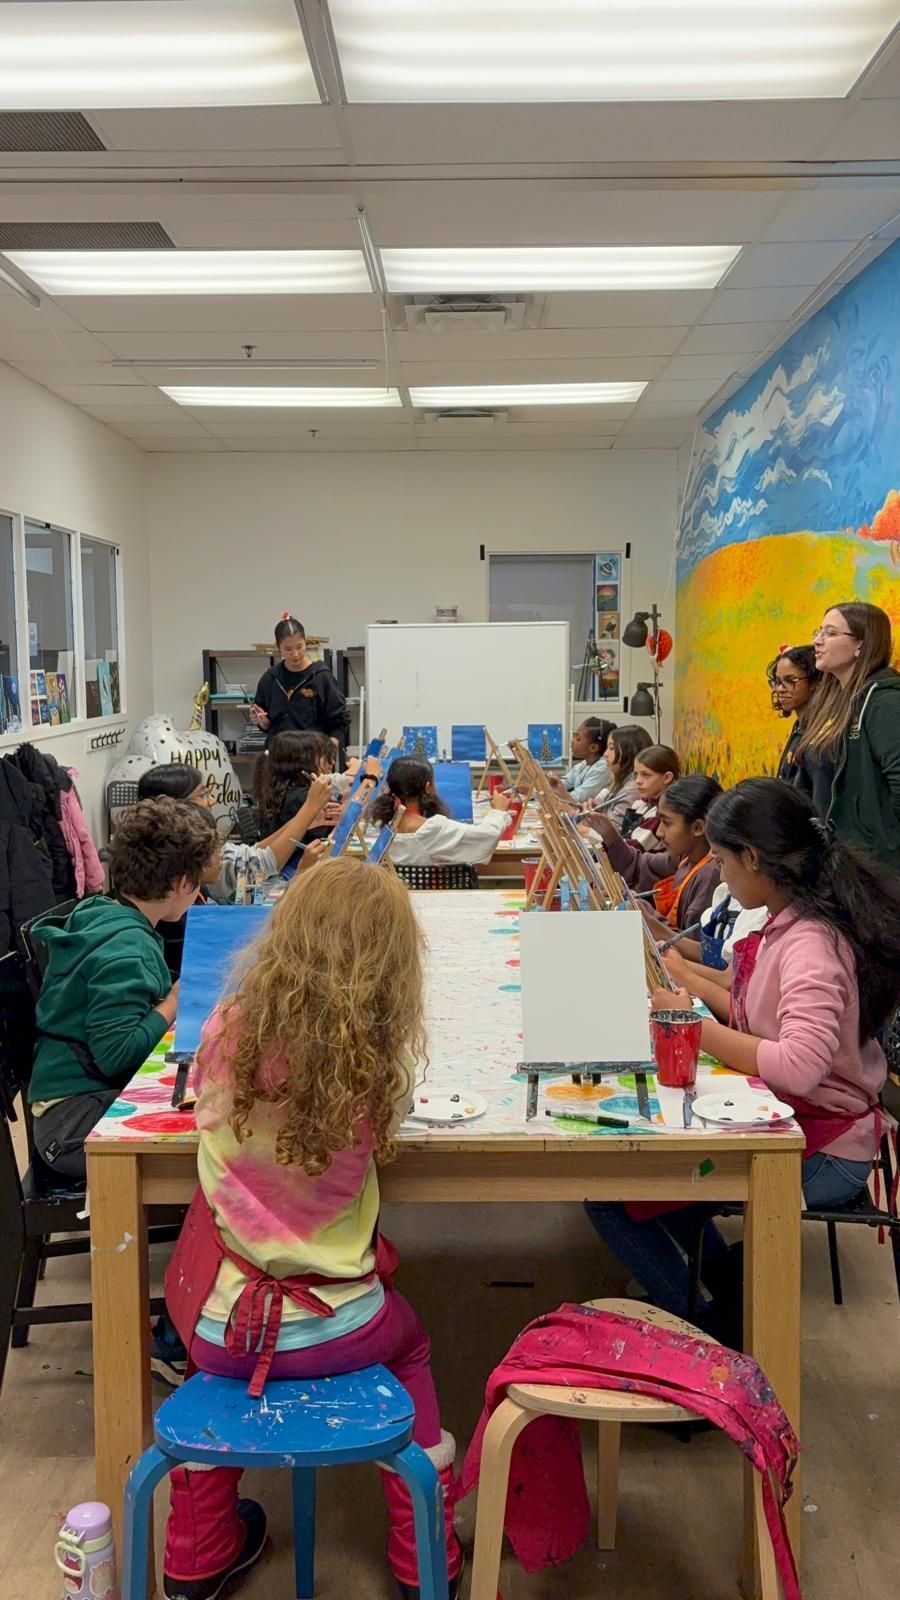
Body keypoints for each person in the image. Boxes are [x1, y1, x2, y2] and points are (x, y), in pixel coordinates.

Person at [161, 859, 463, 1600]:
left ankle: (195, 1558)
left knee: (212, 1368)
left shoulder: (226, 1028)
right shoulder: (369, 1065)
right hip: (344, 1323)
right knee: (415, 1344)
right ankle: (424, 1558)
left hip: (221, 1328)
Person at [586, 779, 899, 1334]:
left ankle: (706, 1329)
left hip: (821, 1147)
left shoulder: (810, 943)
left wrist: (685, 1022)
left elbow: (800, 1066)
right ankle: (722, 1284)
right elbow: (749, 999)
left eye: (726, 862)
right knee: (644, 1181)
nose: (722, 874)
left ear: (752, 857)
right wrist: (681, 974)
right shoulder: (789, 922)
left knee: (614, 1193)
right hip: (791, 1121)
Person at [27, 798, 219, 1184]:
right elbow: (117, 1055)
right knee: (216, 1138)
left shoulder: (104, 913)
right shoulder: (126, 949)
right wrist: (175, 1002)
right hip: (70, 1126)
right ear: (184, 883)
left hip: (71, 1106)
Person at [794, 601, 900, 869]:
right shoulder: (829, 702)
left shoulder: (884, 702)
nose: (818, 641)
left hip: (872, 869)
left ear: (861, 644)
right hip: (831, 862)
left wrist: (878, 846)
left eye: (830, 633)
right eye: (818, 632)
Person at [138, 761, 333, 901]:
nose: (212, 800)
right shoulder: (193, 858)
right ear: (176, 805)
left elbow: (254, 853)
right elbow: (263, 862)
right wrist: (309, 808)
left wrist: (304, 821)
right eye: (203, 794)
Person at [583, 774, 722, 933]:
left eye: (667, 823)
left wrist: (643, 910)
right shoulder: (683, 857)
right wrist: (609, 834)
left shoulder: (709, 876)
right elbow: (639, 864)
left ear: (697, 828)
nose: (659, 831)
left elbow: (694, 948)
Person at [373, 755, 511, 866]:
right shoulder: (431, 829)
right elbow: (486, 837)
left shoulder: (389, 822)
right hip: (431, 898)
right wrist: (498, 811)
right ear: (428, 787)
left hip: (398, 897)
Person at [250, 614, 349, 756]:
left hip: (313, 755)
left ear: (305, 643)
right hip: (279, 757)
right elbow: (266, 723)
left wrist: (328, 752)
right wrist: (262, 722)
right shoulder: (270, 679)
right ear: (279, 648)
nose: (295, 654)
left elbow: (340, 722)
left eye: (299, 647)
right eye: (288, 649)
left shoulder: (321, 677)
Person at [253, 729, 341, 848]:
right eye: (321, 756)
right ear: (303, 761)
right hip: (296, 862)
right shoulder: (301, 797)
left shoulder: (281, 790)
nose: (331, 762)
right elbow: (324, 836)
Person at [767, 644, 821, 784]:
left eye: (790, 681)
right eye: (777, 682)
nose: (779, 689)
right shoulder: (800, 726)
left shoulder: (821, 733)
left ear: (816, 682)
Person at [583, 724, 653, 829]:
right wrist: (595, 809)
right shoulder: (621, 781)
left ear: (629, 752)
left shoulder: (633, 788)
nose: (605, 754)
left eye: (611, 748)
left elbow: (613, 831)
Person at [618, 743, 680, 848]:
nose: (638, 781)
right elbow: (623, 834)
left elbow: (629, 849)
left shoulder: (661, 815)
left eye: (646, 775)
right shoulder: (641, 804)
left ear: (667, 778)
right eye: (636, 774)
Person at [549, 717, 615, 807]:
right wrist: (551, 782)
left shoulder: (602, 768)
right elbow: (566, 782)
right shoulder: (584, 764)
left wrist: (555, 790)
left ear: (593, 747)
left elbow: (577, 798)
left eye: (578, 739)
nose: (572, 742)